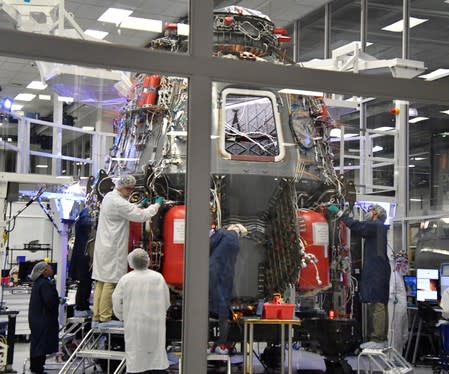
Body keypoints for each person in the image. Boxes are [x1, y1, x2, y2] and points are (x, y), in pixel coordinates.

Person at [92, 174, 163, 325]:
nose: (130, 191)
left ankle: (96, 316)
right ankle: (105, 318)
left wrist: (137, 206)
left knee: (101, 281)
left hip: (104, 246)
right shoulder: (119, 202)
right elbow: (142, 216)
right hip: (113, 248)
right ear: (120, 186)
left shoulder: (109, 197)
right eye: (128, 188)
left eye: (132, 188)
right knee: (111, 282)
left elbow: (126, 211)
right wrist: (156, 206)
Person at [328, 204, 390, 349]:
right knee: (377, 302)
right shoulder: (378, 228)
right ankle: (379, 338)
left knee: (377, 303)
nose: (367, 213)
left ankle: (378, 339)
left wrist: (340, 214)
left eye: (370, 211)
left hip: (377, 270)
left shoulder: (376, 226)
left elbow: (357, 226)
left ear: (376, 214)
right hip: (377, 268)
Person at [112, 248, 170, 374]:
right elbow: (166, 301)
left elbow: (116, 301)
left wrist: (122, 316)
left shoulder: (126, 279)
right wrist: (159, 313)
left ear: (131, 262)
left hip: (134, 325)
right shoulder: (158, 277)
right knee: (156, 357)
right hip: (155, 325)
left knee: (136, 359)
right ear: (147, 260)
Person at [209, 223, 248, 354]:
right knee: (223, 310)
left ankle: (204, 342)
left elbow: (207, 245)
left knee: (206, 305)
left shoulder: (223, 233)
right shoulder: (237, 244)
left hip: (212, 272)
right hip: (227, 276)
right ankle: (222, 343)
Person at [28, 261, 60, 374]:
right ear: (44, 271)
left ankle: (35, 367)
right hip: (43, 320)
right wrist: (58, 300)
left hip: (36, 319)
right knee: (41, 345)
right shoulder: (45, 284)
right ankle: (38, 369)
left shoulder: (38, 283)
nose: (52, 269)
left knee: (36, 344)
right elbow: (50, 301)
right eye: (49, 267)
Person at [69, 207, 93, 316]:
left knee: (85, 283)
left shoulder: (82, 218)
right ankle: (82, 306)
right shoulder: (84, 219)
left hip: (83, 254)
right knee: (85, 282)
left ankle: (83, 305)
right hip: (84, 256)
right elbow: (87, 222)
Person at [388, 252, 409, 354]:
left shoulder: (400, 277)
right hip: (397, 311)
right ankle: (395, 359)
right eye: (402, 263)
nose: (405, 266)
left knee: (403, 334)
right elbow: (391, 294)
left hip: (402, 310)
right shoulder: (394, 276)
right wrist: (394, 300)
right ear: (397, 264)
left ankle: (399, 358)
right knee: (397, 335)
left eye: (406, 263)